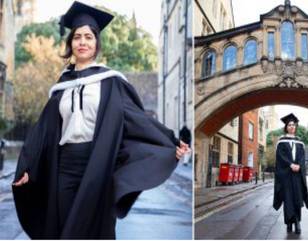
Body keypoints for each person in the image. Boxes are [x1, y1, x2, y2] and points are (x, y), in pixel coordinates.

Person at [11, 1, 189, 239]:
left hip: (97, 166)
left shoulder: (111, 82)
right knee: (64, 228)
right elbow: (41, 132)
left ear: (96, 43)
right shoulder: (61, 87)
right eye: (77, 37)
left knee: (94, 230)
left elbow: (138, 121)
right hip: (64, 168)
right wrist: (26, 167)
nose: (82, 42)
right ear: (71, 43)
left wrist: (171, 142)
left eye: (88, 37)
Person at [273, 113, 308, 234]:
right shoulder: (281, 142)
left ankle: (297, 223)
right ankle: (289, 223)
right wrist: (290, 164)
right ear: (286, 127)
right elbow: (280, 157)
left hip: (297, 175)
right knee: (288, 199)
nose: (292, 126)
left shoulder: (300, 142)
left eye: (293, 125)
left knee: (297, 198)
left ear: (295, 127)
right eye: (289, 125)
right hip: (286, 175)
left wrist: (299, 165)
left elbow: (302, 156)